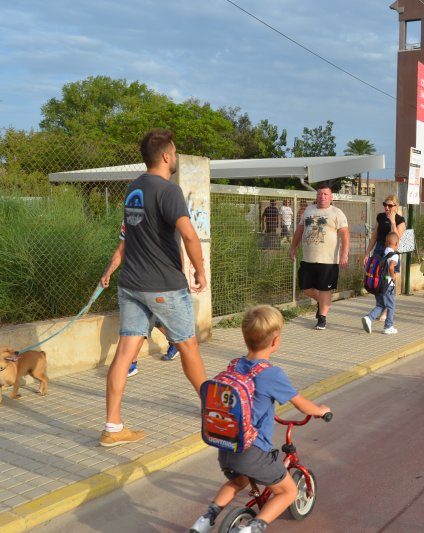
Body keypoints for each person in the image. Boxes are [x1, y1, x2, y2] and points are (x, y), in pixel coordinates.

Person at [100, 128, 208, 447]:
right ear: (165, 156)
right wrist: (200, 271)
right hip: (163, 285)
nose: (175, 157)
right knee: (188, 348)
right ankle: (214, 411)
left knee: (123, 354)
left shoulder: (133, 189)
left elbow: (132, 236)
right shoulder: (168, 190)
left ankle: (113, 427)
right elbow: (189, 235)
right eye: (174, 152)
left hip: (131, 284)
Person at [189, 305, 330, 533]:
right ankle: (251, 529)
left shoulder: (235, 364)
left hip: (227, 447)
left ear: (245, 338)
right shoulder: (272, 374)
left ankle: (204, 521)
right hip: (253, 451)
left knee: (238, 482)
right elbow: (303, 405)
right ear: (275, 341)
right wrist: (321, 410)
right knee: (288, 492)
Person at [99, 227, 180, 376]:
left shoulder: (159, 218)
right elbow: (120, 251)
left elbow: (176, 249)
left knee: (144, 325)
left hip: (157, 284)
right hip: (133, 284)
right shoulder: (129, 219)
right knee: (147, 323)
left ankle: (131, 363)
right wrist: (107, 273)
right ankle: (173, 344)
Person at [290, 185, 349, 331]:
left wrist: (344, 253)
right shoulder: (309, 210)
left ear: (331, 197)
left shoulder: (337, 213)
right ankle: (323, 303)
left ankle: (322, 318)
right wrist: (293, 247)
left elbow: (345, 234)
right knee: (305, 287)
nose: (322, 196)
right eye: (320, 194)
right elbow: (299, 230)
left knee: (325, 290)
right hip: (308, 258)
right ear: (316, 196)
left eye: (326, 194)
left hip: (328, 260)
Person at [361, 232, 400, 335]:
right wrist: (393, 275)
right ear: (396, 244)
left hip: (377, 284)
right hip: (387, 285)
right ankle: (388, 327)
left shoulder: (380, 253)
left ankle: (368, 318)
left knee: (380, 305)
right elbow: (391, 266)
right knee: (391, 306)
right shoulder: (394, 255)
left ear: (386, 243)